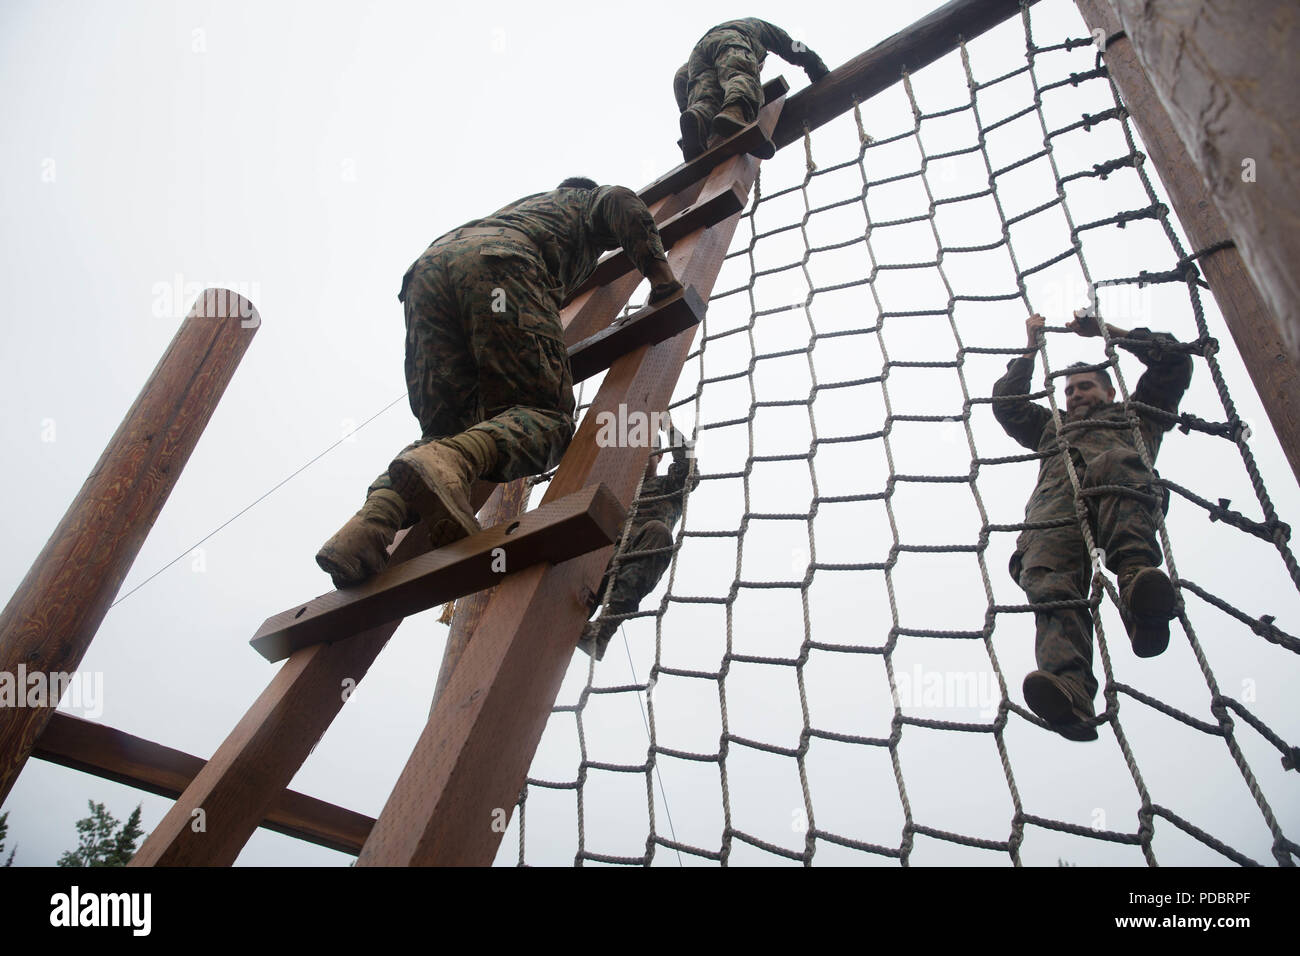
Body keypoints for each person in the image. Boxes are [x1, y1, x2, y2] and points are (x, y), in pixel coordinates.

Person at [315, 178, 682, 588]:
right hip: (498, 265)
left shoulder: (528, 209)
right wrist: (661, 276)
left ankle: (367, 529)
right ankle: (452, 462)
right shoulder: (584, 201)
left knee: (444, 433)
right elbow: (619, 201)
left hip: (426, 277)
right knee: (546, 418)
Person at [992, 310, 1193, 741]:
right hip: (1056, 514)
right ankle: (1070, 691)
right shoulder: (1052, 427)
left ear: (1109, 390)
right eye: (1069, 391)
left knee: (1114, 461)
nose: (1076, 395)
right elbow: (1007, 405)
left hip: (1120, 499)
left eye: (1086, 386)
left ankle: (1140, 591)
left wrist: (1108, 332)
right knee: (1046, 580)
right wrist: (1030, 350)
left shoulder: (1137, 415)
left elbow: (1174, 359)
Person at [578, 427, 699, 660]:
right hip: (594, 560)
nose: (640, 456)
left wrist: (669, 426)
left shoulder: (667, 486)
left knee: (658, 532)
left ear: (659, 455)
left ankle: (602, 632)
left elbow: (688, 468)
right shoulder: (615, 490)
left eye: (646, 450)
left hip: (631, 561)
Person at [675, 18, 830, 161]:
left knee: (707, 99)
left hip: (696, 57)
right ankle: (736, 112)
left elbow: (681, 77)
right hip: (731, 39)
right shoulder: (757, 26)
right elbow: (791, 45)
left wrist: (687, 109)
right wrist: (815, 65)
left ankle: (698, 118)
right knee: (742, 76)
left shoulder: (715, 36)